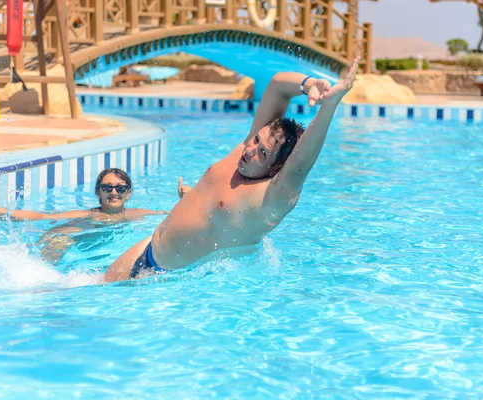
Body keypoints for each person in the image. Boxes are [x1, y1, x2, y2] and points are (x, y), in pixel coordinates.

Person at [103, 57, 360, 282]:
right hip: (148, 246)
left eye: (263, 153)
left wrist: (329, 107)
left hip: (168, 279)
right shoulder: (244, 150)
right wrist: (308, 84)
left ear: (277, 168)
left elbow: (301, 164)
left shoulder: (271, 196)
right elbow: (277, 87)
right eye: (257, 140)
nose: (250, 150)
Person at [0, 168, 168, 262]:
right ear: (98, 193)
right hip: (60, 240)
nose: (114, 192)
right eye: (107, 187)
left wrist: (185, 198)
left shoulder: (137, 214)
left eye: (120, 188)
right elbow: (42, 217)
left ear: (129, 193)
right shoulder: (90, 215)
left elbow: (169, 215)